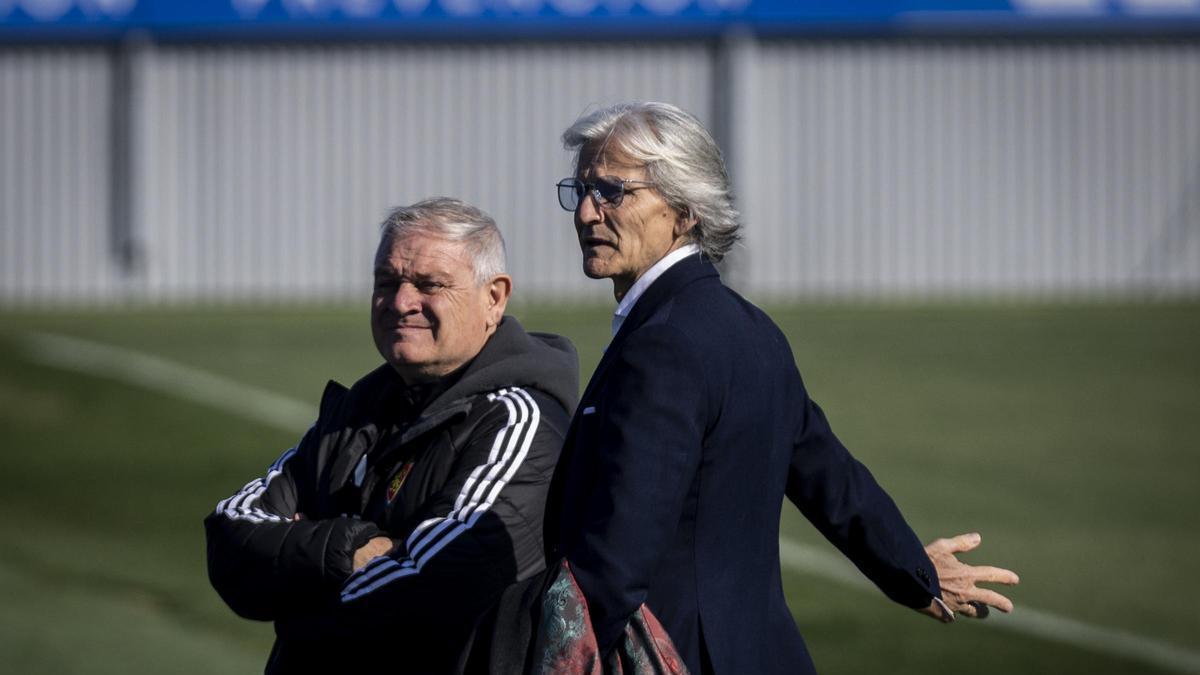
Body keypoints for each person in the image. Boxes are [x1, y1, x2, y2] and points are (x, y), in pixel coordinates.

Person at [541, 102, 1019, 674]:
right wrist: (912, 569)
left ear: (685, 210)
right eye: (582, 190)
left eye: (612, 192)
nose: (586, 212)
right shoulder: (752, 328)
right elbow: (832, 480)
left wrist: (556, 660)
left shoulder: (662, 344)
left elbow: (616, 560)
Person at [204, 198, 578, 674]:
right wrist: (351, 548)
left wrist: (296, 595)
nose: (401, 303)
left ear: (494, 298)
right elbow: (230, 537)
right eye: (386, 282)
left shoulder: (517, 421)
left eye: (429, 284)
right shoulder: (358, 409)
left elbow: (435, 586)